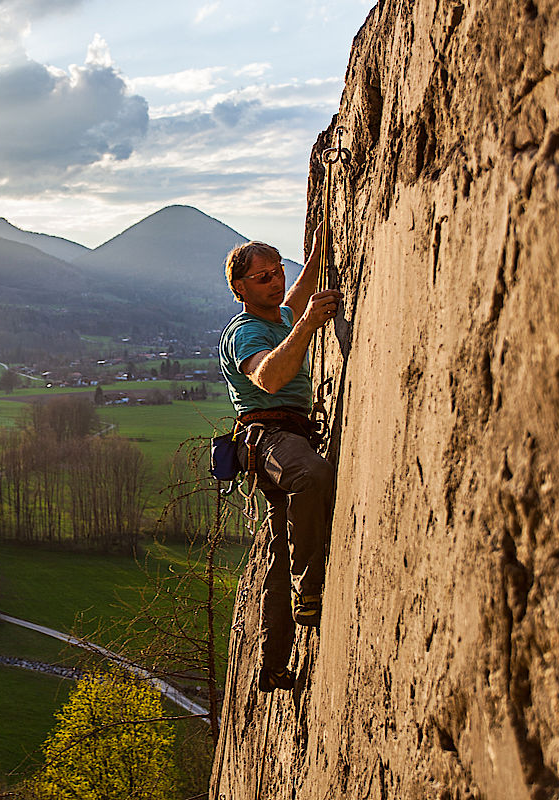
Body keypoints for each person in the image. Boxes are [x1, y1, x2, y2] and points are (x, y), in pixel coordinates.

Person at [218, 225, 341, 692]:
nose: (274, 281)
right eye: (262, 276)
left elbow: (299, 291)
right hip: (270, 437)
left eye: (277, 272)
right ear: (240, 288)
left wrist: (321, 249)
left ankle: (271, 663)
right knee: (312, 475)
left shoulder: (280, 315)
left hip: (285, 437)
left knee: (277, 552)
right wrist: (307, 325)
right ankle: (309, 588)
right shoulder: (246, 332)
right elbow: (268, 377)